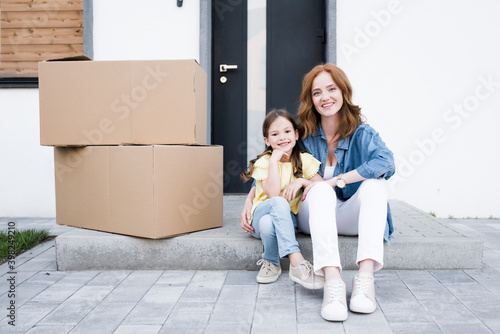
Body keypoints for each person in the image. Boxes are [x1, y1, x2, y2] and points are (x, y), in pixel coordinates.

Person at [240, 64, 395, 322]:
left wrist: (336, 181)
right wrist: (250, 199)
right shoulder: (305, 134)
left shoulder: (362, 133)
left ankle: (365, 281)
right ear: (310, 99)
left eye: (331, 89)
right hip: (314, 213)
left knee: (376, 185)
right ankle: (333, 284)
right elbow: (273, 161)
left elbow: (386, 163)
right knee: (321, 192)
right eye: (317, 92)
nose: (325, 98)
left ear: (344, 92)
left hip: (349, 215)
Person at [240, 109, 325, 289]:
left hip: (282, 220)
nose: (282, 137)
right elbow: (273, 195)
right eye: (275, 134)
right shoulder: (264, 162)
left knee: (269, 223)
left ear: (296, 134)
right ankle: (296, 260)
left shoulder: (304, 160)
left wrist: (302, 181)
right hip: (258, 214)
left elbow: (323, 187)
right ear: (267, 140)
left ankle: (271, 262)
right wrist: (273, 162)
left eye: (287, 132)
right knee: (278, 203)